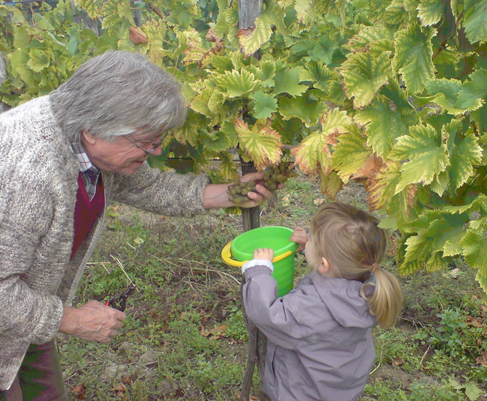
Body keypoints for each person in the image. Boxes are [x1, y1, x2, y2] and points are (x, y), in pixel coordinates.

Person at [0, 50, 278, 400]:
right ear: (93, 130)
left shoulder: (81, 137)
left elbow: (145, 185)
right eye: (146, 142)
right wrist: (71, 319)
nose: (156, 151)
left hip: (26, 317)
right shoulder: (27, 172)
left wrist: (230, 194)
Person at [242, 202, 404, 401]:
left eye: (312, 240)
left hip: (302, 393)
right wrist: (308, 247)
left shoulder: (309, 307)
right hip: (338, 387)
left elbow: (266, 314)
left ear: (324, 263)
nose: (308, 240)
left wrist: (258, 271)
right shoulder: (368, 289)